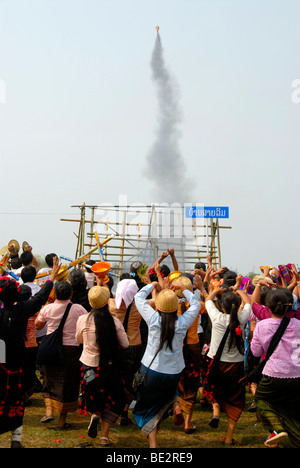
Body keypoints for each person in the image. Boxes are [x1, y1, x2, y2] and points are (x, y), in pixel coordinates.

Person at [133, 278, 201, 448]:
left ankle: (153, 445)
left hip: (152, 370)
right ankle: (175, 403)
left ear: (159, 306)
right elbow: (196, 305)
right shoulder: (183, 322)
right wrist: (184, 288)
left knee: (148, 408)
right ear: (175, 306)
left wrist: (153, 285)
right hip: (174, 372)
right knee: (167, 390)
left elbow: (138, 298)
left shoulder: (154, 319)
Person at [0, 257, 60, 448]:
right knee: (17, 398)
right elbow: (41, 296)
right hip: (18, 359)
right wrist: (51, 276)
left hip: (1, 359)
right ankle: (16, 439)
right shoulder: (23, 310)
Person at [76, 283, 129, 447]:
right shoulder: (114, 321)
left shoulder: (83, 319)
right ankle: (104, 436)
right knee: (115, 399)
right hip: (109, 367)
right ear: (107, 302)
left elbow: (78, 339)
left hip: (88, 367)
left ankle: (94, 416)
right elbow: (126, 344)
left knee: (93, 395)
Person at [250, 288, 300, 448]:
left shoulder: (263, 325)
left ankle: (277, 430)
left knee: (261, 400)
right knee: (292, 410)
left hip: (274, 375)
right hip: (297, 375)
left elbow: (256, 352)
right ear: (288, 306)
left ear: (267, 306)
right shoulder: (298, 324)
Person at [35, 280, 87, 429]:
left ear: (55, 294)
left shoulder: (48, 308)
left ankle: (49, 411)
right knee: (69, 384)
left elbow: (38, 325)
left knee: (48, 378)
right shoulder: (79, 309)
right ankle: (61, 421)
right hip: (72, 350)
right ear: (71, 294)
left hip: (51, 348)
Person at [204, 287, 251, 446]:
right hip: (236, 366)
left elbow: (208, 300)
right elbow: (248, 302)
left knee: (213, 388)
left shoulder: (216, 317)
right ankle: (229, 438)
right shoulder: (242, 318)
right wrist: (238, 290)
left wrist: (217, 291)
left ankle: (216, 410)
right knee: (235, 399)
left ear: (222, 306)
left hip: (216, 363)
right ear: (238, 307)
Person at [108, 278, 142, 426]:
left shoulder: (110, 305)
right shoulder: (140, 306)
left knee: (116, 377)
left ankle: (113, 409)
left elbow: (100, 295)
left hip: (117, 346)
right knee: (130, 380)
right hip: (133, 347)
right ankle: (124, 411)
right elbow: (158, 299)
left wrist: (100, 282)